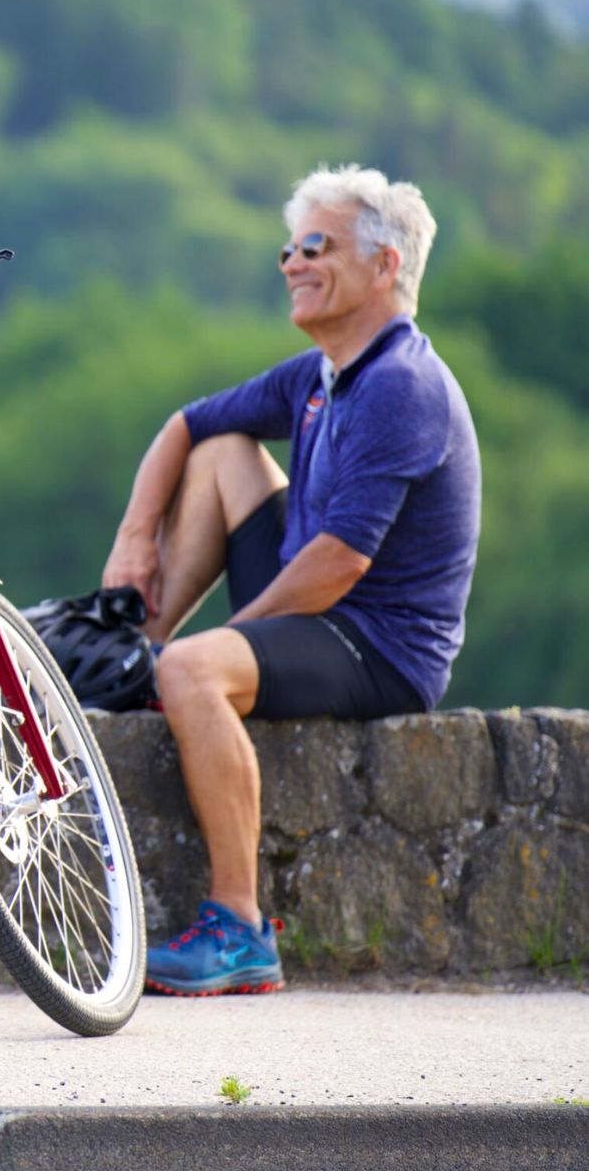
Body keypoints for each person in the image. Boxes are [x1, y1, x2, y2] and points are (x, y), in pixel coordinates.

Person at [101, 165, 480, 996]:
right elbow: (185, 425)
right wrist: (135, 541)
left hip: (378, 643)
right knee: (222, 452)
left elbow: (342, 561)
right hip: (316, 606)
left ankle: (238, 926)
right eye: (288, 250)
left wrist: (228, 643)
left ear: (386, 267)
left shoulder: (400, 385)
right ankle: (143, 649)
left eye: (317, 246)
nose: (292, 264)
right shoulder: (322, 373)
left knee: (195, 671)